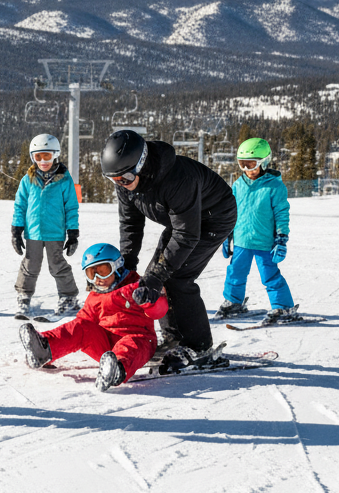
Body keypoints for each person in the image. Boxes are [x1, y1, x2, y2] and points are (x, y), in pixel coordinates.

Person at [99, 129, 236, 374]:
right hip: (182, 223)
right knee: (155, 276)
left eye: (126, 178)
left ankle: (199, 349)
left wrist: (156, 277)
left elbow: (186, 236)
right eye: (114, 180)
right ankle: (175, 339)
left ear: (141, 165)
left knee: (176, 278)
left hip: (214, 217)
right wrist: (127, 264)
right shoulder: (125, 180)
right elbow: (130, 224)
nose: (121, 184)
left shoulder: (177, 179)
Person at [19, 243, 170, 392]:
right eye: (92, 273)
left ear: (117, 267)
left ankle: (117, 369)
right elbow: (81, 325)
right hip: (105, 346)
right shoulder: (96, 296)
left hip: (139, 339)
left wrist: (149, 299)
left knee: (131, 344)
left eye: (103, 271)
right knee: (81, 326)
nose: (98, 278)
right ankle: (45, 349)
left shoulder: (137, 286)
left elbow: (159, 311)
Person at [216, 138, 297, 323]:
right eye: (242, 165)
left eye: (251, 165)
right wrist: (226, 235)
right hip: (242, 241)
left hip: (264, 242)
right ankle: (233, 302)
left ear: (264, 162)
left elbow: (282, 213)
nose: (247, 170)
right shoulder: (238, 185)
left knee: (270, 276)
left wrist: (281, 238)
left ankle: (283, 308)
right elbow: (231, 211)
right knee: (235, 273)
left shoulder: (274, 186)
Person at [10, 133, 80, 319]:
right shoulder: (28, 180)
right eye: (38, 156)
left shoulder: (64, 180)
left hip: (55, 233)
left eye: (47, 156)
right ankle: (23, 297)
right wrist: (17, 230)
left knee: (57, 265)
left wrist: (72, 233)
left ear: (55, 154)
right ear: (33, 157)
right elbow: (20, 206)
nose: (43, 161)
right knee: (30, 264)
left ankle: (68, 298)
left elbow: (71, 207)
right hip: (33, 232)